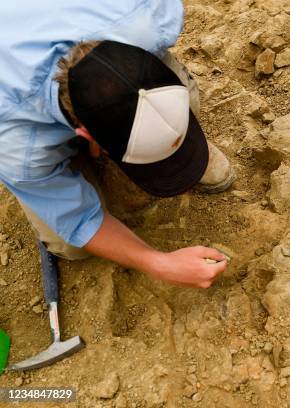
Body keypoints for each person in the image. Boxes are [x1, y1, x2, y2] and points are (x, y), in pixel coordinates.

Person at [0, 1, 233, 289]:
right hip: (23, 109)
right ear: (87, 137)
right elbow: (79, 221)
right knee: (71, 246)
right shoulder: (17, 144)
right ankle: (77, 162)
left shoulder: (144, 17)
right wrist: (159, 263)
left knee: (190, 101)